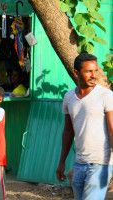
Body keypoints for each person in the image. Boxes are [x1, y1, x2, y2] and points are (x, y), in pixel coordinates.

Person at [56, 53, 113, 200]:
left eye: (96, 71)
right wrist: (62, 162)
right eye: (89, 71)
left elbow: (112, 130)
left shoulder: (106, 95)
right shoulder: (69, 97)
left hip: (101, 163)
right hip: (79, 163)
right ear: (76, 73)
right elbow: (68, 132)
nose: (94, 75)